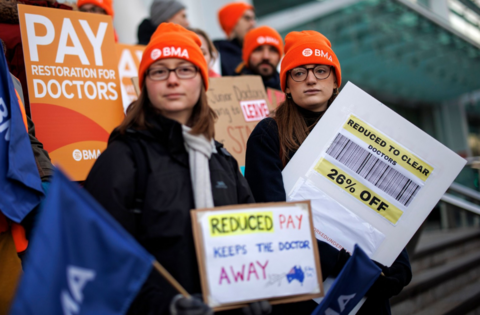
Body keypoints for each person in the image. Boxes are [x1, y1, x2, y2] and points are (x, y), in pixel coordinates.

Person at [84, 23, 270, 315]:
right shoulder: (121, 159)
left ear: (201, 81)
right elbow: (100, 256)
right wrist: (164, 307)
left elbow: (252, 242)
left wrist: (258, 290)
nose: (172, 80)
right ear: (146, 83)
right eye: (159, 71)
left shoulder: (222, 160)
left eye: (185, 69)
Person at [244, 30, 412, 315]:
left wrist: (398, 262)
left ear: (335, 81)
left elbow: (383, 204)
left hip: (368, 293)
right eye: (299, 73)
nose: (310, 79)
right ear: (286, 85)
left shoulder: (367, 132)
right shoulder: (268, 135)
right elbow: (272, 217)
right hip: (303, 292)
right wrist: (345, 264)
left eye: (321, 71)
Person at [214, 2, 255, 76]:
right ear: (232, 22)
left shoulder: (258, 52)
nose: (252, 23)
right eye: (247, 18)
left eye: (253, 19)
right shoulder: (216, 56)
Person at [235, 26, 282, 90]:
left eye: (272, 50)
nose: (266, 56)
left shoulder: (289, 90)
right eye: (258, 50)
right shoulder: (229, 88)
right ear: (247, 56)